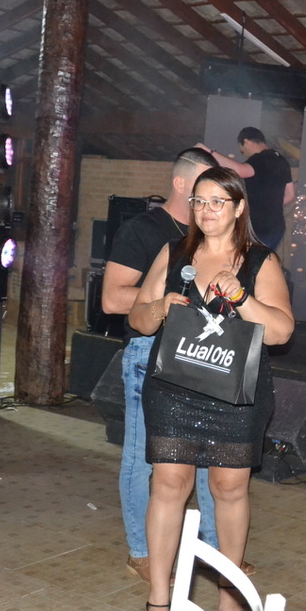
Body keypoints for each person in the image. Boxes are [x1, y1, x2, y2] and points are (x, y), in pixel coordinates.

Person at [129, 167, 294, 611]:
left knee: (229, 489)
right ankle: (159, 600)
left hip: (235, 393)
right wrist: (159, 307)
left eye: (218, 202)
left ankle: (230, 601)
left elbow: (281, 332)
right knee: (168, 485)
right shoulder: (174, 253)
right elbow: (137, 319)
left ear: (239, 208)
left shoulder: (260, 261)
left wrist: (242, 299)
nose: (206, 210)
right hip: (174, 389)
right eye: (199, 201)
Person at [101, 147, 225, 586]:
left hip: (202, 355)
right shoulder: (144, 229)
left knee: (210, 457)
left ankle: (215, 551)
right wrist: (162, 302)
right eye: (203, 187)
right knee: (144, 456)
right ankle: (143, 552)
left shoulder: (214, 237)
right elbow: (112, 298)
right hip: (149, 351)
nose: (210, 198)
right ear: (180, 184)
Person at [197, 127, 294, 252]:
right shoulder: (281, 160)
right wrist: (270, 206)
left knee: (246, 261)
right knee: (262, 261)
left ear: (247, 142)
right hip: (276, 228)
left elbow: (240, 170)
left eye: (242, 150)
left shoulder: (261, 159)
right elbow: (290, 195)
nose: (243, 153)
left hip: (258, 229)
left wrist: (208, 152)